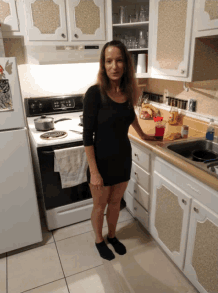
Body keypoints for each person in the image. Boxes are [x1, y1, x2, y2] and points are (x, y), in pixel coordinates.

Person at [83, 40, 156, 261]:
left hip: (122, 158)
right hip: (101, 162)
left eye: (119, 60)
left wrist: (142, 134)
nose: (114, 66)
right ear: (103, 65)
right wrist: (94, 172)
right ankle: (99, 239)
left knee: (115, 203)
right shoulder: (95, 94)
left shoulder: (127, 91)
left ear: (125, 64)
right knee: (100, 205)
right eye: (109, 61)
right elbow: (87, 136)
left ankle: (112, 236)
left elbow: (130, 115)